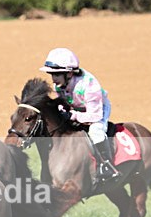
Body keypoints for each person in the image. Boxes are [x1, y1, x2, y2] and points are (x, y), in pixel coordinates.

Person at [40, 47, 119, 183]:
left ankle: (106, 165)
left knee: (96, 132)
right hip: (77, 108)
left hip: (98, 110)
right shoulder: (59, 84)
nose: (53, 79)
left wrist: (73, 116)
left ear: (69, 74)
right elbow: (62, 102)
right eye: (51, 74)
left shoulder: (89, 85)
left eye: (56, 75)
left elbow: (94, 116)